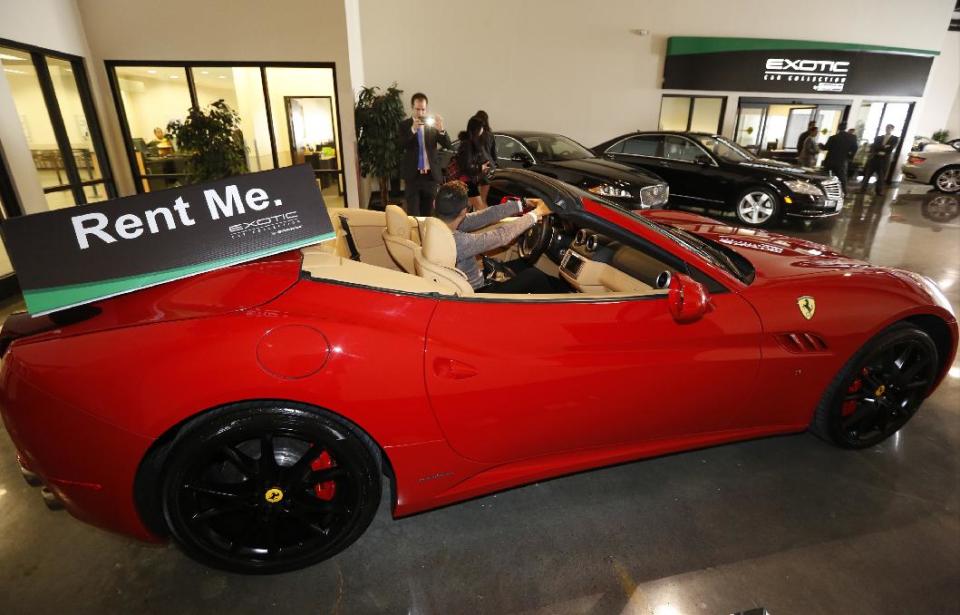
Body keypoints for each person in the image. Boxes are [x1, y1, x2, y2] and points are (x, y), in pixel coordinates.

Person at [432, 181, 563, 293]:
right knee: (535, 276)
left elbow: (484, 216)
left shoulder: (436, 226)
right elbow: (501, 236)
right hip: (479, 294)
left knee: (523, 265)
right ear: (464, 210)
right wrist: (536, 213)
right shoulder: (458, 241)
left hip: (474, 282)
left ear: (434, 204)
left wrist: (522, 204)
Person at [398, 92, 450, 216]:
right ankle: (416, 235)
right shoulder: (404, 125)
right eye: (417, 109)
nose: (420, 113)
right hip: (413, 177)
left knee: (429, 215)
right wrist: (413, 130)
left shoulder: (432, 125)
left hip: (430, 177)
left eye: (423, 109)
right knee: (414, 215)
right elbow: (400, 145)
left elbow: (448, 145)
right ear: (412, 108)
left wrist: (441, 130)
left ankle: (426, 235)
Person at [454, 117, 491, 211]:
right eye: (481, 128)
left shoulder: (472, 142)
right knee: (481, 208)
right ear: (477, 129)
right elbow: (465, 165)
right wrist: (480, 167)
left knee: (466, 209)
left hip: (469, 180)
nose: (483, 130)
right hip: (466, 181)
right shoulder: (467, 144)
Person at [860, 124, 900, 196]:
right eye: (886, 127)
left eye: (889, 128)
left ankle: (879, 191)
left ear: (892, 129)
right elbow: (875, 146)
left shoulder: (895, 138)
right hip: (875, 158)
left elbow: (891, 148)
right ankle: (863, 189)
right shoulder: (879, 137)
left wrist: (881, 147)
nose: (887, 129)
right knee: (868, 174)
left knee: (881, 176)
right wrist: (884, 146)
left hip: (884, 160)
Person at [473, 110, 497, 204]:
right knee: (483, 200)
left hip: (476, 170)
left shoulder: (474, 135)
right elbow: (494, 155)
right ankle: (484, 217)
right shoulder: (491, 135)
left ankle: (470, 217)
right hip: (488, 168)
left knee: (473, 200)